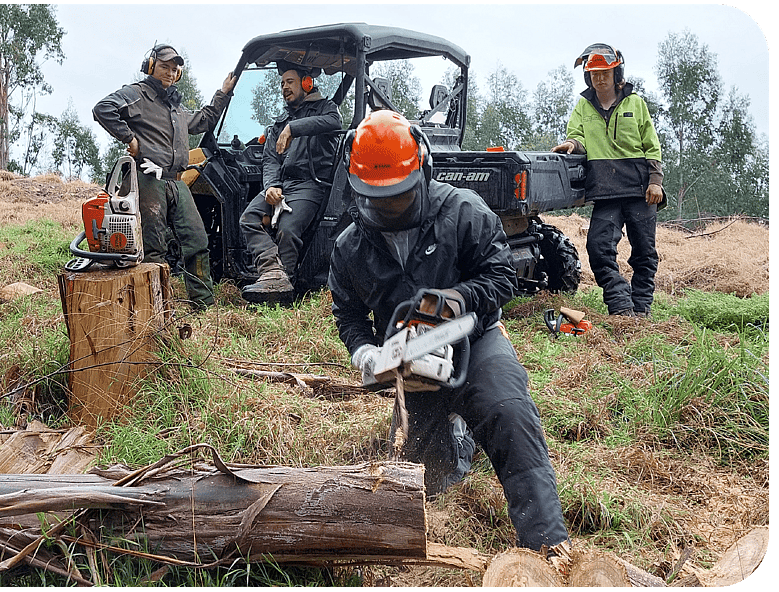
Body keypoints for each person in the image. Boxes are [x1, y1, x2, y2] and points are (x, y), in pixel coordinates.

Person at [329, 110, 570, 553]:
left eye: (398, 199)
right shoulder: (350, 247)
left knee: (509, 415)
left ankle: (550, 547)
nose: (388, 209)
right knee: (425, 474)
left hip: (475, 341)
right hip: (412, 364)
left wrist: (461, 298)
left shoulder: (462, 211)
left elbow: (502, 275)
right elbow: (346, 312)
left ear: (423, 171)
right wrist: (364, 351)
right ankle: (457, 445)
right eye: (377, 200)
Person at [93, 44, 237, 308]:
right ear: (150, 66)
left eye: (175, 69)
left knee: (197, 240)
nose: (170, 73)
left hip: (176, 181)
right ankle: (156, 307)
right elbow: (103, 108)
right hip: (149, 179)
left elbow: (203, 120)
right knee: (155, 246)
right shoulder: (137, 94)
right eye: (164, 67)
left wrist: (223, 93)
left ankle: (203, 305)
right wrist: (130, 138)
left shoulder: (175, 108)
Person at [552, 43, 664, 318]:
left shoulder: (635, 103)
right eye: (594, 74)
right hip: (605, 189)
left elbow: (651, 143)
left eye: (605, 73)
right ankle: (621, 306)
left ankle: (641, 309)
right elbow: (577, 135)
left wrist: (656, 180)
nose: (599, 78)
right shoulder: (583, 105)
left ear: (617, 73)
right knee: (598, 247)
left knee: (644, 253)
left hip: (640, 187)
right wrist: (571, 145)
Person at [239, 63, 341, 303]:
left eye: (290, 82)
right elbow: (270, 158)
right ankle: (273, 273)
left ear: (307, 83)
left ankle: (282, 294)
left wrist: (293, 129)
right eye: (282, 83)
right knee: (249, 218)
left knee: (288, 228)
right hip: (284, 184)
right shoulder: (280, 121)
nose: (284, 87)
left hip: (311, 185)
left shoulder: (326, 109)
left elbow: (333, 124)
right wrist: (272, 186)